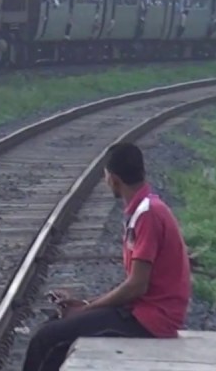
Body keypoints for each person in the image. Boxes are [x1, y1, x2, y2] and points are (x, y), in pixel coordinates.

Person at [22, 142, 192, 371]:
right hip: (142, 311)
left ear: (113, 179)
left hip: (152, 319)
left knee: (46, 340)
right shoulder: (144, 207)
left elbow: (136, 286)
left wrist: (86, 309)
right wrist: (84, 304)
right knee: (55, 326)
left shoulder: (148, 214)